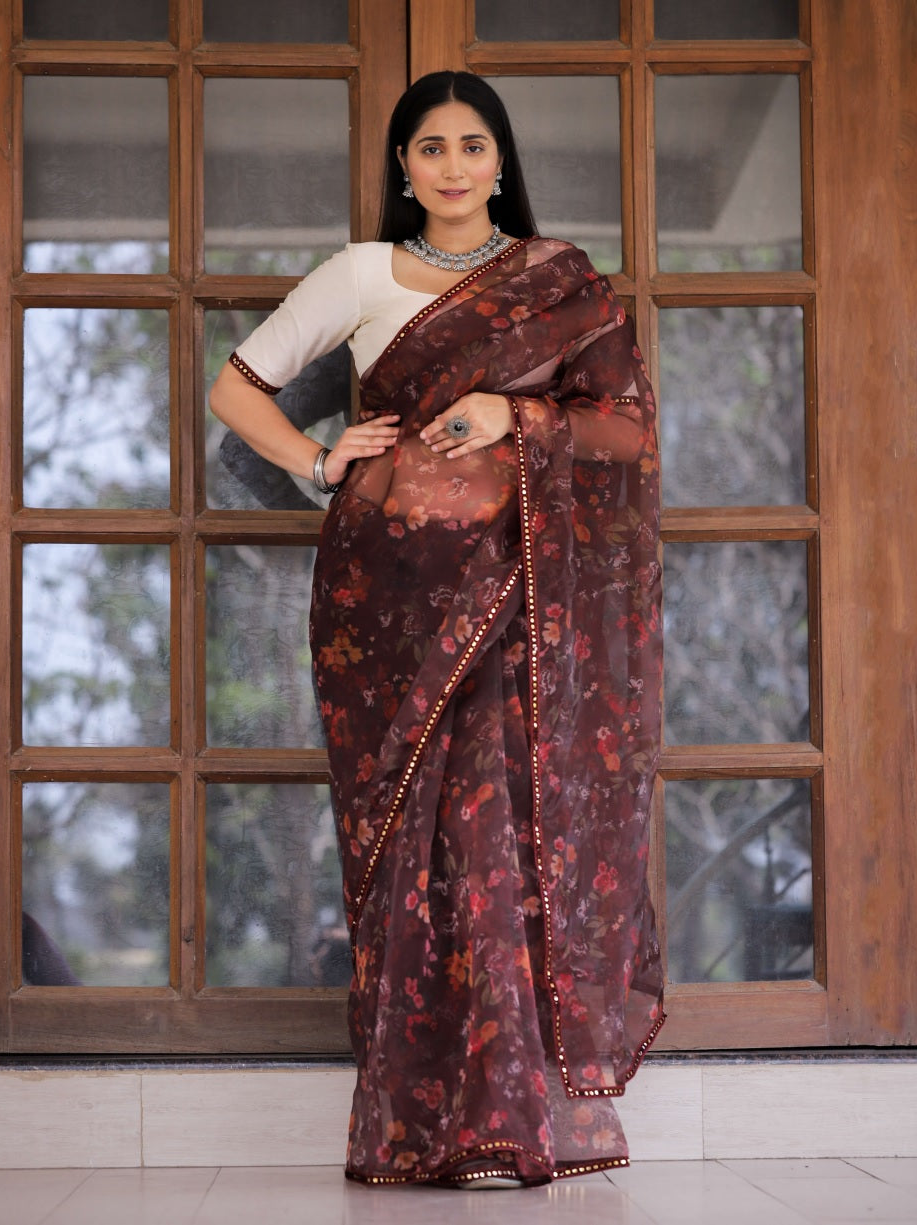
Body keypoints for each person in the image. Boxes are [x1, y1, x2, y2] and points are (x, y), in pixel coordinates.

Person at [210, 70, 664, 1189]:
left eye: (470, 145)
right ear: (402, 167)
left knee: (499, 841)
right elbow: (237, 388)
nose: (451, 166)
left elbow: (622, 434)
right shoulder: (361, 274)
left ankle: (509, 1123)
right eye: (429, 148)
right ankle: (422, 1126)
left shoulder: (559, 281)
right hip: (391, 603)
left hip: (517, 599)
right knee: (414, 854)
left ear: (498, 161)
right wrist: (317, 461)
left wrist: (515, 411)